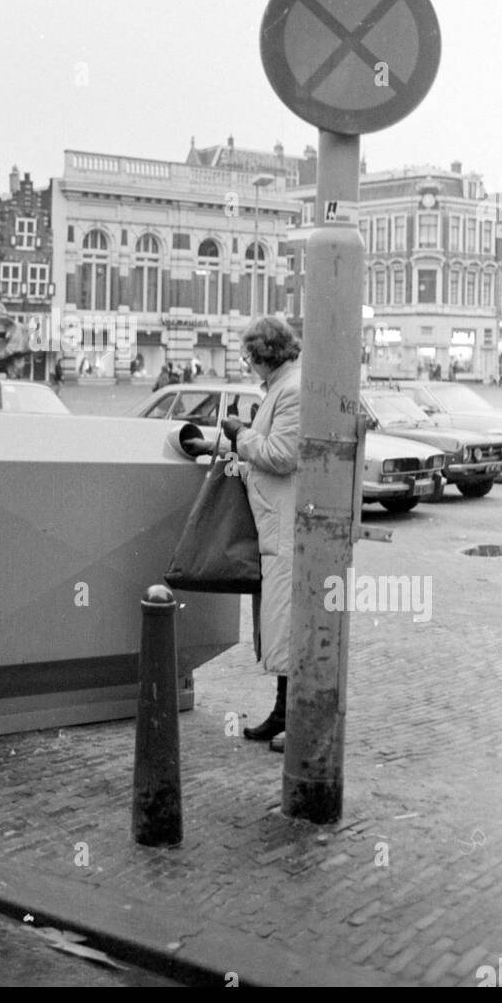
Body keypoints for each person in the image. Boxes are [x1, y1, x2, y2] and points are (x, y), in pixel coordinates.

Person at [222, 315, 301, 755]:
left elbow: (282, 455)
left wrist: (240, 435)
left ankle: (291, 717)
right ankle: (282, 713)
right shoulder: (281, 387)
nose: (247, 364)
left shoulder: (290, 390)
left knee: (285, 620)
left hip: (285, 523)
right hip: (275, 523)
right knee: (278, 620)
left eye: (248, 356)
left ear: (261, 354)